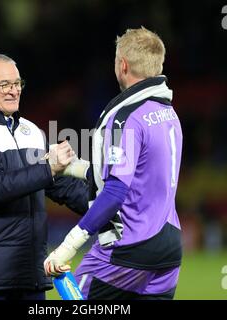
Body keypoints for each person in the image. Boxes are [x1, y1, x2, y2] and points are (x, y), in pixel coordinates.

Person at [44, 27, 183, 300]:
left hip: (128, 247)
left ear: (122, 65)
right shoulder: (167, 112)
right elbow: (136, 177)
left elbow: (116, 192)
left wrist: (68, 246)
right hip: (169, 246)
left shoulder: (124, 118)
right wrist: (72, 166)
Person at [0, 53, 89, 300]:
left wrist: (110, 208)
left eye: (17, 83)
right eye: (4, 85)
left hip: (28, 276)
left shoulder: (31, 131)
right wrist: (48, 168)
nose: (14, 91)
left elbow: (61, 186)